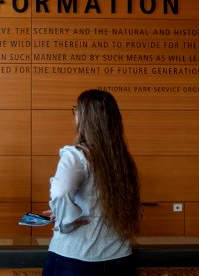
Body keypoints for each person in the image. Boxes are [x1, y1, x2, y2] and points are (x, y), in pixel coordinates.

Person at [42, 89, 141, 276]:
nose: (75, 115)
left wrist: (67, 221)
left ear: (86, 117)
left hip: (77, 258)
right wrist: (63, 212)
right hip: (119, 258)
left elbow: (60, 192)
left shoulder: (77, 155)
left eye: (76, 110)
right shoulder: (122, 159)